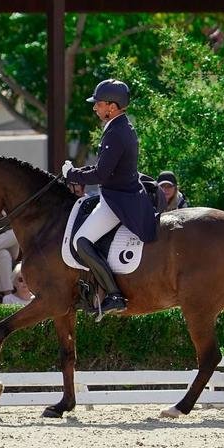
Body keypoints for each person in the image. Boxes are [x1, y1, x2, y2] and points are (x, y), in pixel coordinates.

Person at [62, 79, 158, 318]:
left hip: (117, 201)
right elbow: (103, 168)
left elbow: (101, 174)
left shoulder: (117, 132)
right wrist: (76, 172)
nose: (95, 108)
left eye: (99, 104)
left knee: (81, 241)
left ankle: (114, 295)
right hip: (118, 194)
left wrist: (71, 174)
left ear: (112, 107)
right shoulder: (120, 126)